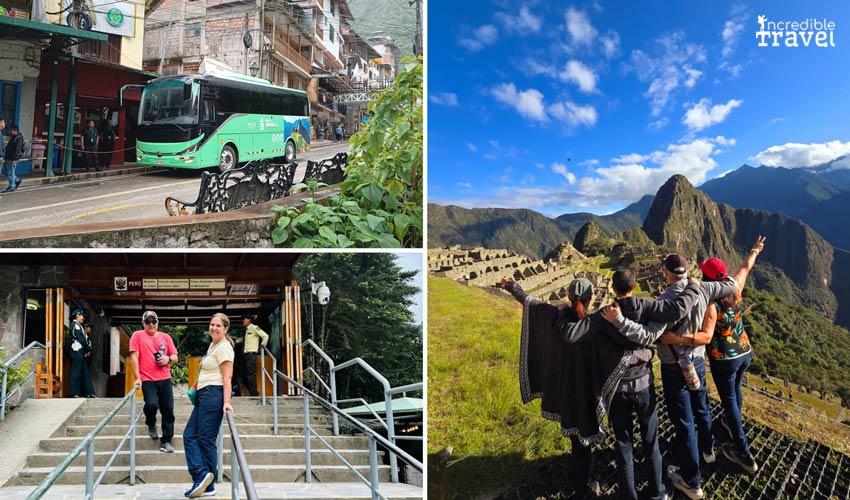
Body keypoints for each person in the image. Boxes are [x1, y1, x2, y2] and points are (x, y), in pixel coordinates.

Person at [500, 275, 700, 500]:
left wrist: (513, 286)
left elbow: (533, 305)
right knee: (650, 440)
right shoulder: (626, 313)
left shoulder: (582, 318)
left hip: (579, 391)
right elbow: (675, 310)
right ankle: (657, 493)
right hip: (615, 388)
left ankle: (609, 492)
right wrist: (693, 286)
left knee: (618, 444)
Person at [605, 254, 741, 500]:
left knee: (684, 422)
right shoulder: (703, 288)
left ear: (666, 273)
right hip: (697, 362)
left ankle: (692, 480)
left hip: (674, 368)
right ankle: (708, 451)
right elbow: (733, 285)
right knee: (702, 408)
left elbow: (648, 335)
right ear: (686, 272)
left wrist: (620, 321)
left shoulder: (664, 301)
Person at [657, 236, 766, 474]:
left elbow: (705, 337)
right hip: (745, 352)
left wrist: (677, 339)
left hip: (725, 360)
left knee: (729, 401)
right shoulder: (736, 288)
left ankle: (743, 452)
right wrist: (754, 250)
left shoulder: (710, 303)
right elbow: (746, 267)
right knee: (735, 393)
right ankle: (729, 423)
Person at [183, 313, 234, 498]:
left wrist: (227, 402)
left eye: (218, 325)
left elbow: (227, 377)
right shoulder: (212, 346)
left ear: (226, 328)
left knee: (205, 438)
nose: (214, 328)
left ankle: (206, 481)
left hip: (214, 394)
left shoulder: (225, 347)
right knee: (189, 434)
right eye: (212, 324)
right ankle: (203, 477)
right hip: (204, 394)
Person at [130, 310, 178, 453]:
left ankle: (167, 440)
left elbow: (175, 356)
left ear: (157, 322)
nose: (151, 324)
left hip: (165, 378)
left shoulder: (166, 337)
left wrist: (168, 359)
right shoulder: (137, 336)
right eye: (148, 322)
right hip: (147, 378)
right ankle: (151, 423)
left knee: (168, 409)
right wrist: (137, 377)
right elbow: (134, 357)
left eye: (154, 321)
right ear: (143, 323)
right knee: (151, 405)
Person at [235, 315, 269, 397]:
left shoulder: (254, 328)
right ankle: (253, 392)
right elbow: (242, 340)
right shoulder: (246, 331)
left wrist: (262, 346)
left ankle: (254, 393)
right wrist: (233, 341)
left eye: (244, 319)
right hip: (244, 356)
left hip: (251, 355)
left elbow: (265, 336)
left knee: (250, 375)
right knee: (243, 376)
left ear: (249, 320)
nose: (243, 321)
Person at [67, 309, 95, 398]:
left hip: (79, 352)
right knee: (76, 372)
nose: (83, 318)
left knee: (80, 372)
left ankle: (81, 392)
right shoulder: (76, 325)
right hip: (77, 351)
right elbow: (81, 339)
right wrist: (87, 349)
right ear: (77, 315)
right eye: (82, 316)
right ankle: (74, 392)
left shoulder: (78, 325)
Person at [2, 123, 24, 192]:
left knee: (11, 172)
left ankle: (11, 186)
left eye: (11, 130)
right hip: (8, 158)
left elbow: (17, 150)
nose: (10, 131)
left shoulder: (19, 138)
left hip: (13, 158)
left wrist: (14, 159)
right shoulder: (13, 137)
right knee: (6, 172)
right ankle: (17, 180)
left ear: (15, 130)